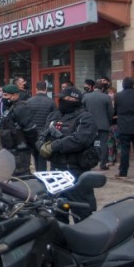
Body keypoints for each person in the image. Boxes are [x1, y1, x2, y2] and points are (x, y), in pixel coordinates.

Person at [38, 86, 98, 222]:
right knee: (57, 210)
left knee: (81, 211)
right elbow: (43, 135)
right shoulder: (54, 115)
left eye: (66, 99)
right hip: (56, 170)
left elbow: (80, 140)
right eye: (61, 99)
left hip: (75, 170)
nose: (62, 101)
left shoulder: (85, 117)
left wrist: (54, 146)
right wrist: (41, 146)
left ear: (74, 100)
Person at [0, 84, 38, 176]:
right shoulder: (10, 108)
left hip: (20, 150)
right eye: (3, 95)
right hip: (11, 149)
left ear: (15, 95)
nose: (3, 98)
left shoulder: (21, 108)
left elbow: (30, 129)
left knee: (20, 177)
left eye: (6, 95)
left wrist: (33, 145)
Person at [114, 77, 134, 178]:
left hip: (124, 126)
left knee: (125, 150)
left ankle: (123, 173)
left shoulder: (118, 96)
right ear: (133, 84)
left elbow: (115, 111)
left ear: (123, 84)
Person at [83, 80, 113, 170]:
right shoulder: (106, 97)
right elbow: (110, 112)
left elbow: (82, 111)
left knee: (89, 144)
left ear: (93, 87)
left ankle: (88, 163)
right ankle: (103, 164)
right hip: (103, 125)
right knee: (103, 144)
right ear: (102, 88)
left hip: (89, 125)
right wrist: (109, 122)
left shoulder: (86, 97)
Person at [26, 81, 56, 171]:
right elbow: (55, 118)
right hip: (45, 133)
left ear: (36, 89)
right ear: (46, 89)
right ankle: (42, 175)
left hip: (32, 133)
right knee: (42, 155)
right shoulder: (51, 102)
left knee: (35, 155)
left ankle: (38, 173)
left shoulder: (29, 101)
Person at [107, 86, 119, 166]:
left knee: (118, 142)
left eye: (111, 93)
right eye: (109, 93)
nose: (110, 94)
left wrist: (114, 117)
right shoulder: (107, 103)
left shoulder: (118, 103)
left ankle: (120, 160)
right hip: (109, 124)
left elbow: (120, 114)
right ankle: (111, 159)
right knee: (110, 143)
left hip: (116, 124)